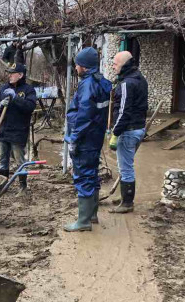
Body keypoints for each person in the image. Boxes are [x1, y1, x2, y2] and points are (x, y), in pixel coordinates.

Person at [63, 47, 112, 231]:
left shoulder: (88, 84)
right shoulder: (102, 82)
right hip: (95, 137)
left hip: (85, 138)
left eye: (77, 64)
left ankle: (83, 222)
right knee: (91, 174)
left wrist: (74, 138)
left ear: (84, 66)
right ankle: (92, 216)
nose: (75, 67)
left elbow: (84, 115)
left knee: (83, 175)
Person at [108, 51, 148, 214]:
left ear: (124, 65)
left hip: (128, 130)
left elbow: (124, 111)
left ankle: (127, 203)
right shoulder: (140, 78)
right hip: (138, 128)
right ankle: (125, 197)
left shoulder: (126, 84)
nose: (113, 66)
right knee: (126, 165)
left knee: (125, 167)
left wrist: (115, 132)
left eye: (115, 64)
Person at [0, 62, 36, 195]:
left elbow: (29, 107)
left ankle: (23, 187)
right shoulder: (4, 88)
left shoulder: (28, 90)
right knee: (3, 160)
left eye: (12, 73)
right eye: (9, 73)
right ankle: (3, 185)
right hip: (4, 130)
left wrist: (15, 98)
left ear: (20, 75)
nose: (9, 75)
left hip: (18, 131)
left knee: (19, 161)